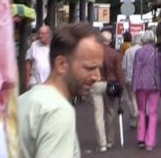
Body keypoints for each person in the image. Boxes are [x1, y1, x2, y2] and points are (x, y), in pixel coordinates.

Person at [18, 22, 104, 158]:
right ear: (61, 64)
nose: (97, 77)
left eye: (99, 68)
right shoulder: (58, 111)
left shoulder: (23, 101)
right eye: (89, 68)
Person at [90, 30, 125, 152]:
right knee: (110, 112)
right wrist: (121, 89)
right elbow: (119, 73)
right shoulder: (115, 54)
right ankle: (110, 140)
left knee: (98, 114)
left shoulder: (94, 53)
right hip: (111, 85)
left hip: (96, 84)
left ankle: (102, 144)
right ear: (110, 41)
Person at [132, 30, 161, 151]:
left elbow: (136, 70)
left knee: (141, 112)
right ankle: (150, 142)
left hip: (141, 85)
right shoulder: (157, 53)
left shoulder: (139, 52)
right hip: (154, 85)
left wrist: (134, 87)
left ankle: (140, 139)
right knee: (153, 113)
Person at [121, 34, 142, 129]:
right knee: (141, 99)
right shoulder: (143, 51)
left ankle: (133, 119)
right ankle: (141, 118)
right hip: (141, 79)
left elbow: (123, 66)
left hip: (129, 78)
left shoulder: (128, 51)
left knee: (130, 99)